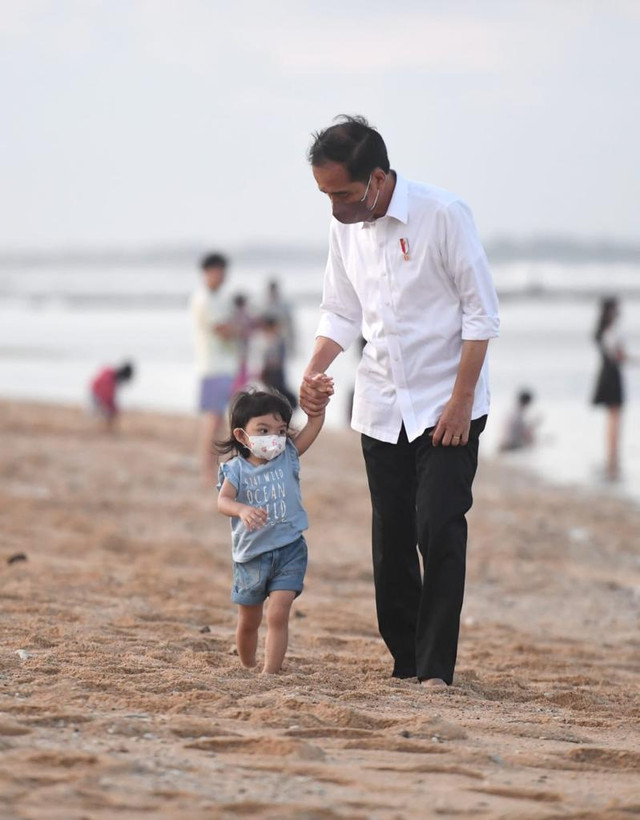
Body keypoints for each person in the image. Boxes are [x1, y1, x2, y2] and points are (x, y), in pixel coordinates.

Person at [300, 115, 500, 689]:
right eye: (324, 195)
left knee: (438, 526)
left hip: (447, 403)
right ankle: (405, 661)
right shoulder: (345, 228)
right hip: (383, 401)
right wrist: (314, 370)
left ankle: (435, 669)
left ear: (378, 178)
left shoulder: (443, 215)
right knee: (389, 539)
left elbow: (480, 314)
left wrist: (461, 403)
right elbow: (339, 311)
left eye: (341, 192)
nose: (334, 206)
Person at [216, 383, 331, 674]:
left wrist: (318, 404)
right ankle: (247, 665)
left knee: (278, 614)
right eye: (263, 430)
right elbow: (223, 501)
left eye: (280, 431)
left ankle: (270, 672)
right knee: (249, 621)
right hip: (251, 556)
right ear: (242, 435)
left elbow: (313, 426)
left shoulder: (288, 456)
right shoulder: (236, 470)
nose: (274, 439)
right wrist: (242, 510)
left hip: (290, 549)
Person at [191, 252, 238, 485]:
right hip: (212, 367)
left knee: (218, 420)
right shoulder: (203, 299)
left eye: (223, 271)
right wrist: (239, 327)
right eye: (218, 271)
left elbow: (230, 326)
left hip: (224, 366)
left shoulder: (220, 298)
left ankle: (211, 468)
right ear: (208, 272)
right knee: (212, 420)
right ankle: (206, 471)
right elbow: (222, 328)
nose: (222, 276)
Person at [592, 297, 626, 480]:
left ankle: (612, 452)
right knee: (615, 414)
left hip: (607, 373)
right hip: (612, 375)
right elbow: (619, 355)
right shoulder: (609, 331)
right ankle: (613, 453)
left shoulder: (603, 331)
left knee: (613, 415)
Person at [260, 315, 298, 409]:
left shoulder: (278, 340)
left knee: (277, 394)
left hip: (276, 371)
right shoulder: (268, 340)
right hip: (270, 371)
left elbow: (279, 357)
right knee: (271, 394)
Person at [89, 361, 135, 432]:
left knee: (109, 412)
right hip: (95, 394)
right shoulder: (110, 380)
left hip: (96, 392)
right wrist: (114, 409)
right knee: (107, 413)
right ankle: (103, 427)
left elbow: (110, 397)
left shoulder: (111, 374)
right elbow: (107, 398)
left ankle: (106, 426)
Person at [265, 279, 297, 356]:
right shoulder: (264, 304)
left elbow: (290, 325)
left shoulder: (283, 305)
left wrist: (292, 344)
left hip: (281, 340)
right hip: (266, 342)